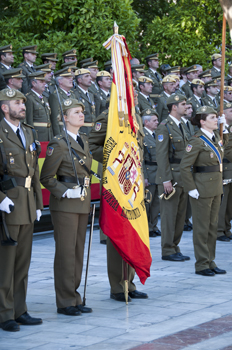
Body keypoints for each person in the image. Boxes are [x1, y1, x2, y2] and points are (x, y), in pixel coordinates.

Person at [88, 87, 148, 302]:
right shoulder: (108, 117)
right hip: (115, 182)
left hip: (133, 183)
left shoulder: (135, 117)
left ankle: (129, 283)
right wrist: (113, 159)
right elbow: (90, 144)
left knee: (133, 228)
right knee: (117, 234)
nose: (135, 96)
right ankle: (117, 286)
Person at [40, 98, 93, 316]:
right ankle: (65, 301)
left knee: (78, 252)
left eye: (82, 112)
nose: (81, 115)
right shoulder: (59, 144)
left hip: (82, 201)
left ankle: (74, 296)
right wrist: (65, 190)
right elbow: (46, 177)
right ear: (65, 118)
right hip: (65, 204)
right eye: (76, 112)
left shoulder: (83, 140)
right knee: (66, 253)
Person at [0, 88, 43, 332]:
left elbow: (34, 172)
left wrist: (38, 203)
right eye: (17, 102)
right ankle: (5, 313)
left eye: (23, 102)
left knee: (23, 262)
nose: (22, 106)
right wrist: (0, 199)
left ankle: (20, 309)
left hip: (27, 203)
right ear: (5, 107)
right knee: (6, 262)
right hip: (9, 202)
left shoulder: (28, 132)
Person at [180, 105, 227, 276]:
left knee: (212, 226)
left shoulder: (215, 138)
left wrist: (226, 127)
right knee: (201, 227)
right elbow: (185, 167)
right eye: (212, 118)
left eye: (216, 117)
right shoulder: (196, 141)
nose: (216, 120)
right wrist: (191, 188)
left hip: (215, 188)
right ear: (202, 121)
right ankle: (201, 264)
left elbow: (224, 149)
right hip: (201, 189)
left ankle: (210, 260)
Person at [156, 93, 189, 261]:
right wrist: (165, 179)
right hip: (171, 178)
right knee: (169, 216)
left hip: (182, 177)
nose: (186, 106)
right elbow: (161, 156)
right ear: (174, 107)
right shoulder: (164, 126)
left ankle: (175, 247)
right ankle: (167, 250)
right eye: (183, 104)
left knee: (180, 215)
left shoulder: (183, 124)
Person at [142, 108, 161, 237]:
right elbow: (141, 158)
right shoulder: (142, 135)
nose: (157, 122)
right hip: (149, 171)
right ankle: (146, 227)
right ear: (146, 123)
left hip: (158, 172)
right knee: (147, 203)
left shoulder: (158, 134)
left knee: (156, 203)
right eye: (154, 120)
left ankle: (153, 226)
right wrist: (144, 176)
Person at [25, 71, 56, 141]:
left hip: (48, 135)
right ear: (33, 83)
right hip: (38, 136)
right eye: (41, 82)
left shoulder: (44, 98)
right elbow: (29, 121)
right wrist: (32, 138)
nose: (44, 84)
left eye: (44, 81)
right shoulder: (29, 98)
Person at [217, 102, 232, 241]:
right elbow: (226, 150)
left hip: (231, 169)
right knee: (223, 202)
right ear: (224, 114)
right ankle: (219, 230)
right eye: (231, 111)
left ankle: (227, 228)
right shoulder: (220, 129)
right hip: (226, 169)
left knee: (230, 204)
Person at [49, 67, 76, 135]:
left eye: (71, 77)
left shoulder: (72, 95)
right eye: (67, 77)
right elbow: (55, 120)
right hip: (63, 131)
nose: (71, 79)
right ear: (60, 81)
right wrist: (58, 136)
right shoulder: (55, 95)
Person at [74, 68, 96, 135]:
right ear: (79, 80)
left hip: (92, 130)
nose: (90, 78)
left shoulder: (90, 94)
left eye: (89, 76)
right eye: (86, 76)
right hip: (82, 130)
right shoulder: (75, 94)